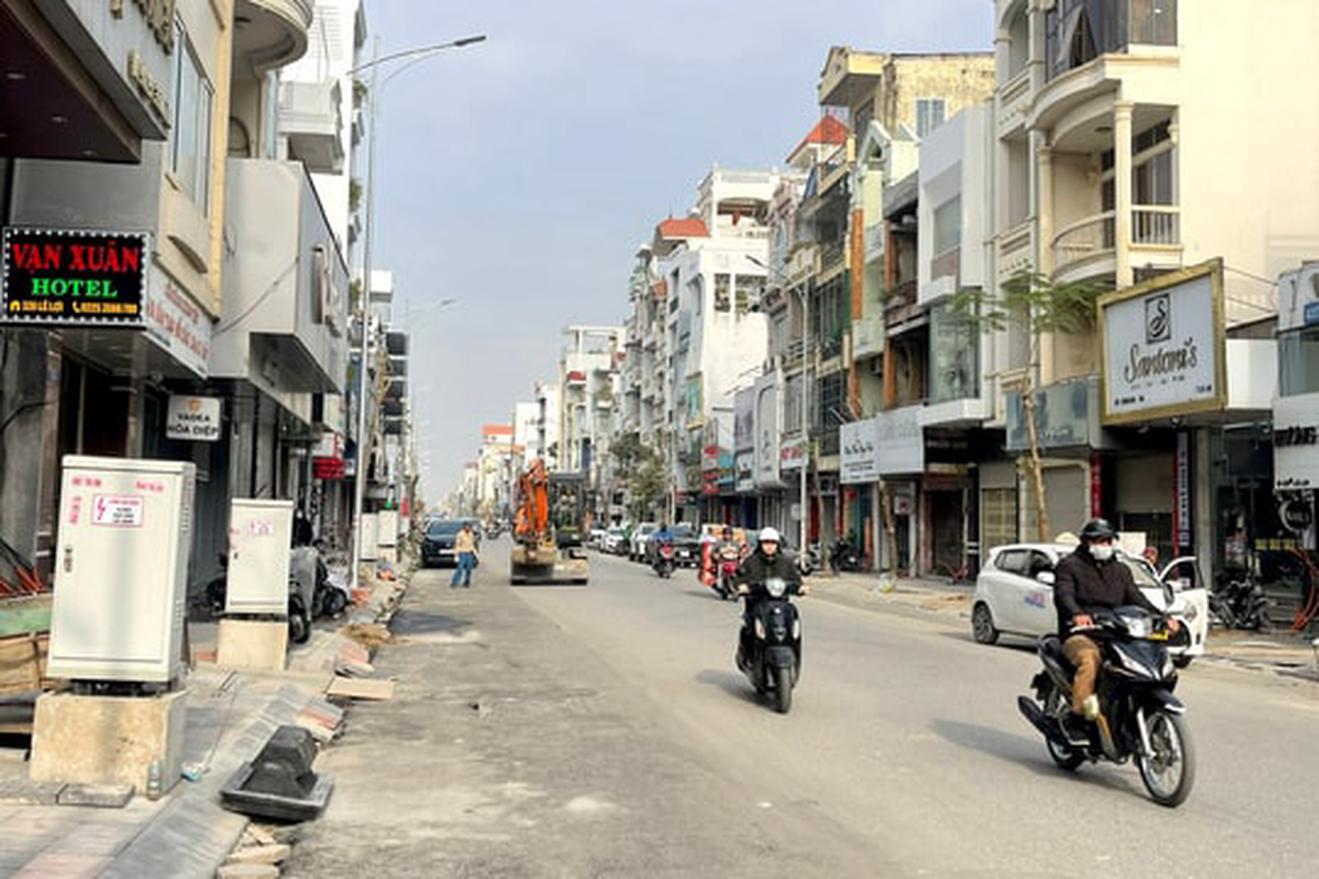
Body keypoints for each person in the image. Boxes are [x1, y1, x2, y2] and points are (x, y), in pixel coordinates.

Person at [1055, 518, 1179, 727]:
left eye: (1108, 541)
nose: (1104, 545)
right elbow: (1063, 595)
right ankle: (1079, 718)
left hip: (1118, 634)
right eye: (1099, 541)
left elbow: (1137, 598)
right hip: (1081, 633)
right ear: (1086, 542)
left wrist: (1163, 618)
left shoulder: (1121, 570)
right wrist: (1077, 614)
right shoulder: (1069, 566)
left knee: (1150, 662)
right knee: (1089, 660)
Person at [735, 527, 807, 655]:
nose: (769, 546)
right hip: (756, 603)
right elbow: (739, 578)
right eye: (766, 543)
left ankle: (793, 653)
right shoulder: (751, 561)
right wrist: (742, 586)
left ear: (777, 545)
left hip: (781, 604)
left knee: (791, 624)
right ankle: (749, 655)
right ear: (760, 544)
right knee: (750, 629)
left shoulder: (786, 562)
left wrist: (801, 587)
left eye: (773, 543)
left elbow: (796, 580)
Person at [451, 521, 478, 588]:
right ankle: (454, 582)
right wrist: (456, 555)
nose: (468, 528)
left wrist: (475, 554)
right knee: (460, 568)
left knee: (469, 569)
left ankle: (467, 582)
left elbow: (472, 544)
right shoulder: (460, 534)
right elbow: (457, 545)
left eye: (469, 527)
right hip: (462, 553)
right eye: (466, 526)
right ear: (464, 527)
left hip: (469, 553)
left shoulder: (471, 534)